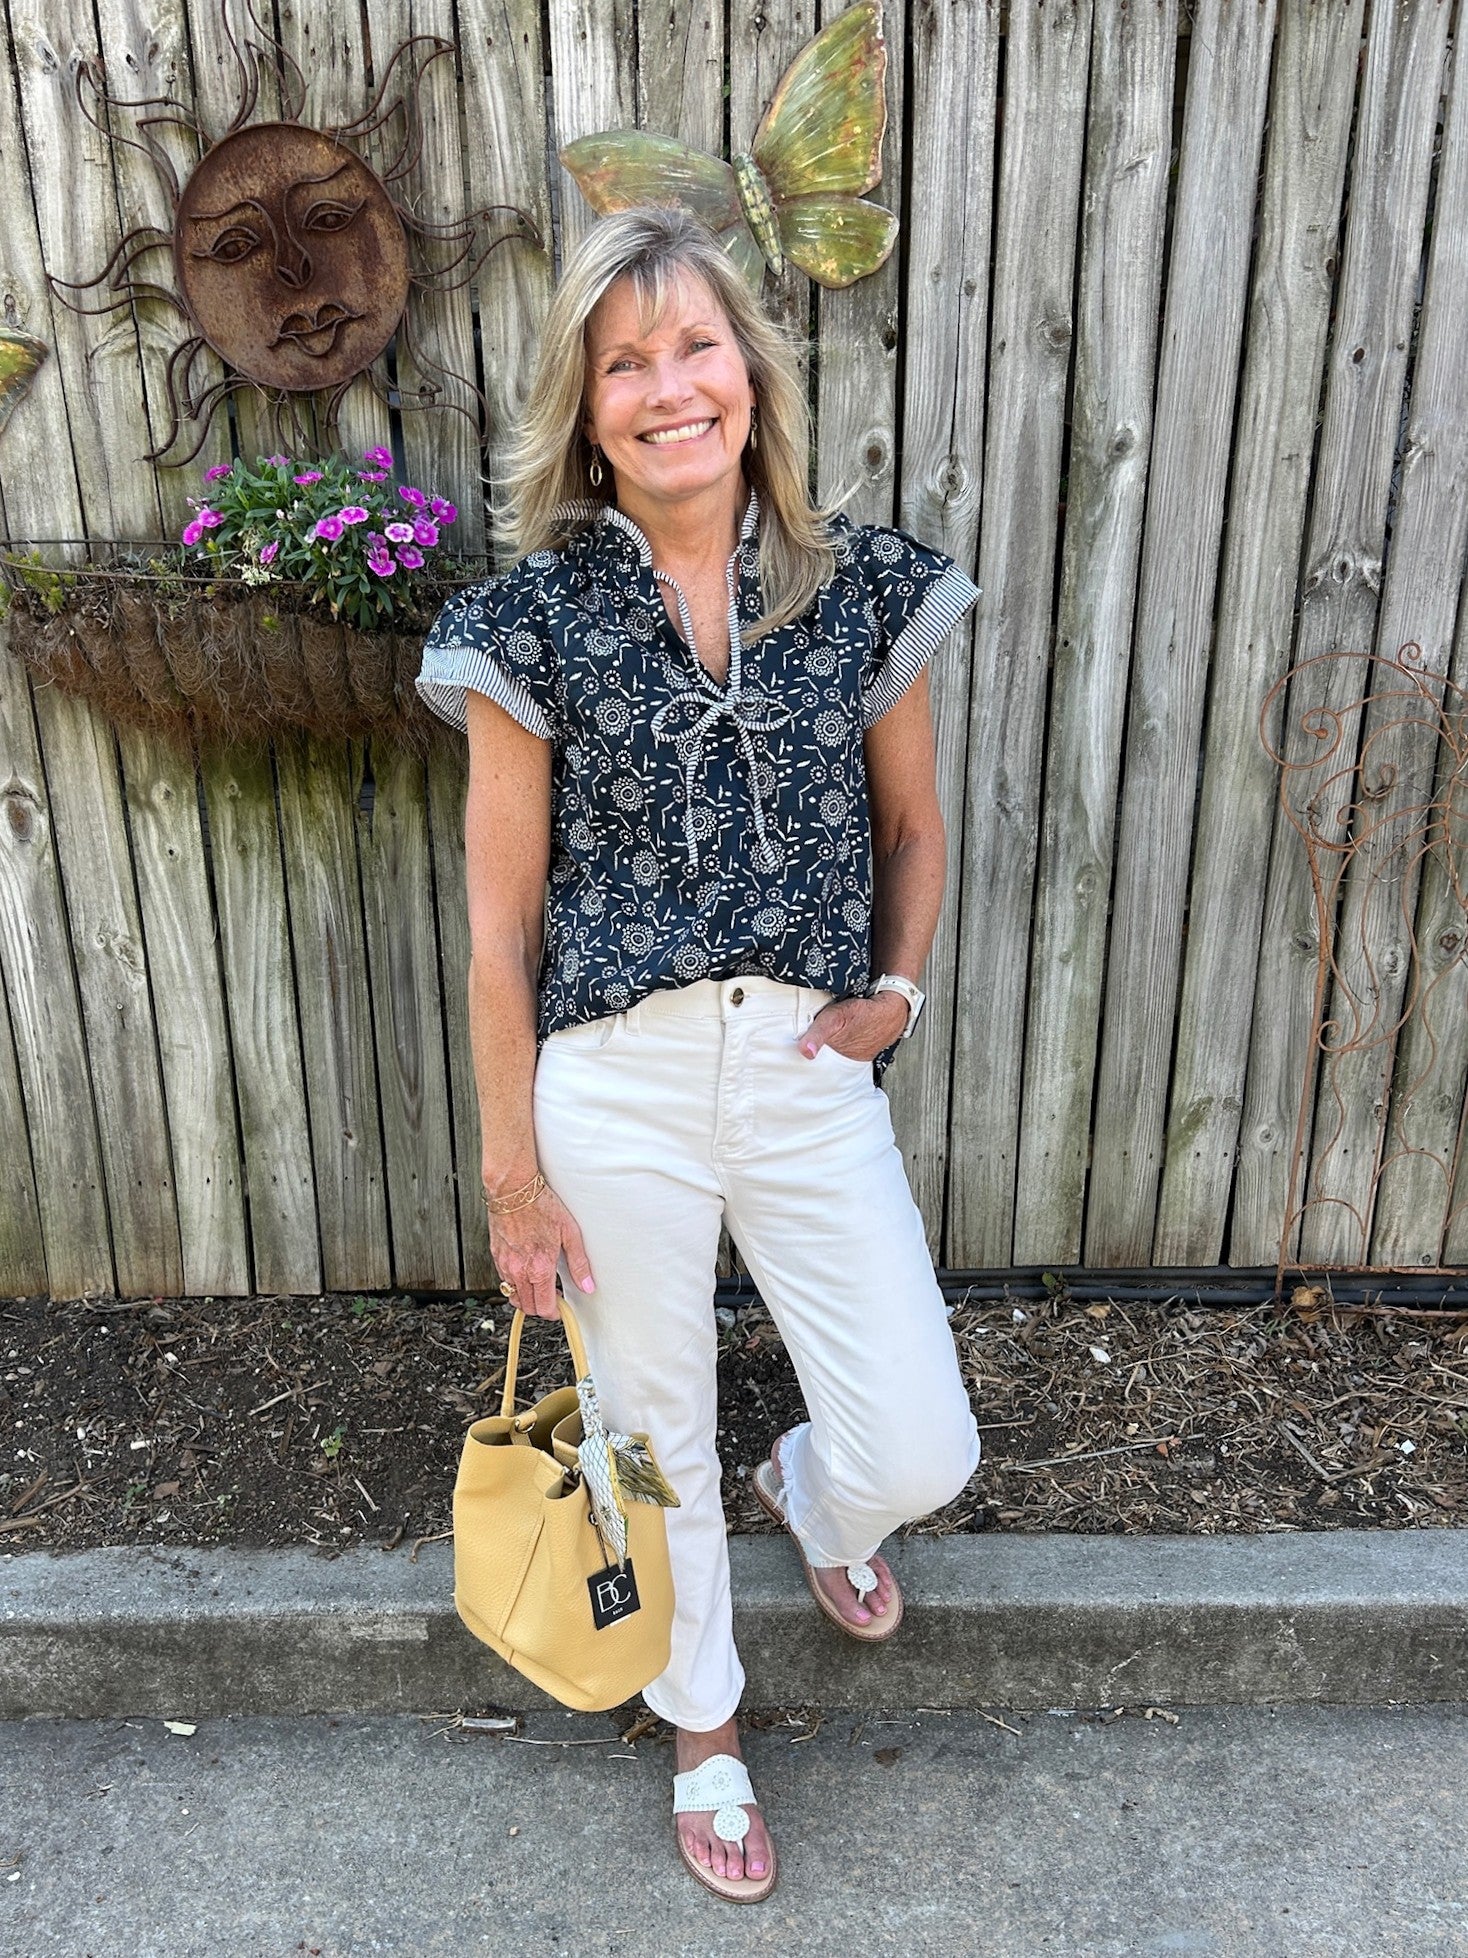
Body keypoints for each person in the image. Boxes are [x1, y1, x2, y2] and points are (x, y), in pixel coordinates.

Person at [416, 204, 981, 1905]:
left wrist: (896, 995)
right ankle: (705, 1725)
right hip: (616, 1083)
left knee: (919, 1448)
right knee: (648, 1419)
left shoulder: (860, 582)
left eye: (696, 345)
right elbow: (498, 932)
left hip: (806, 1066)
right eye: (626, 360)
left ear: (752, 371)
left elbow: (917, 823)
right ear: (587, 412)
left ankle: (817, 1494)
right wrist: (514, 1172)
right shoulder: (530, 626)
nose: (670, 385)